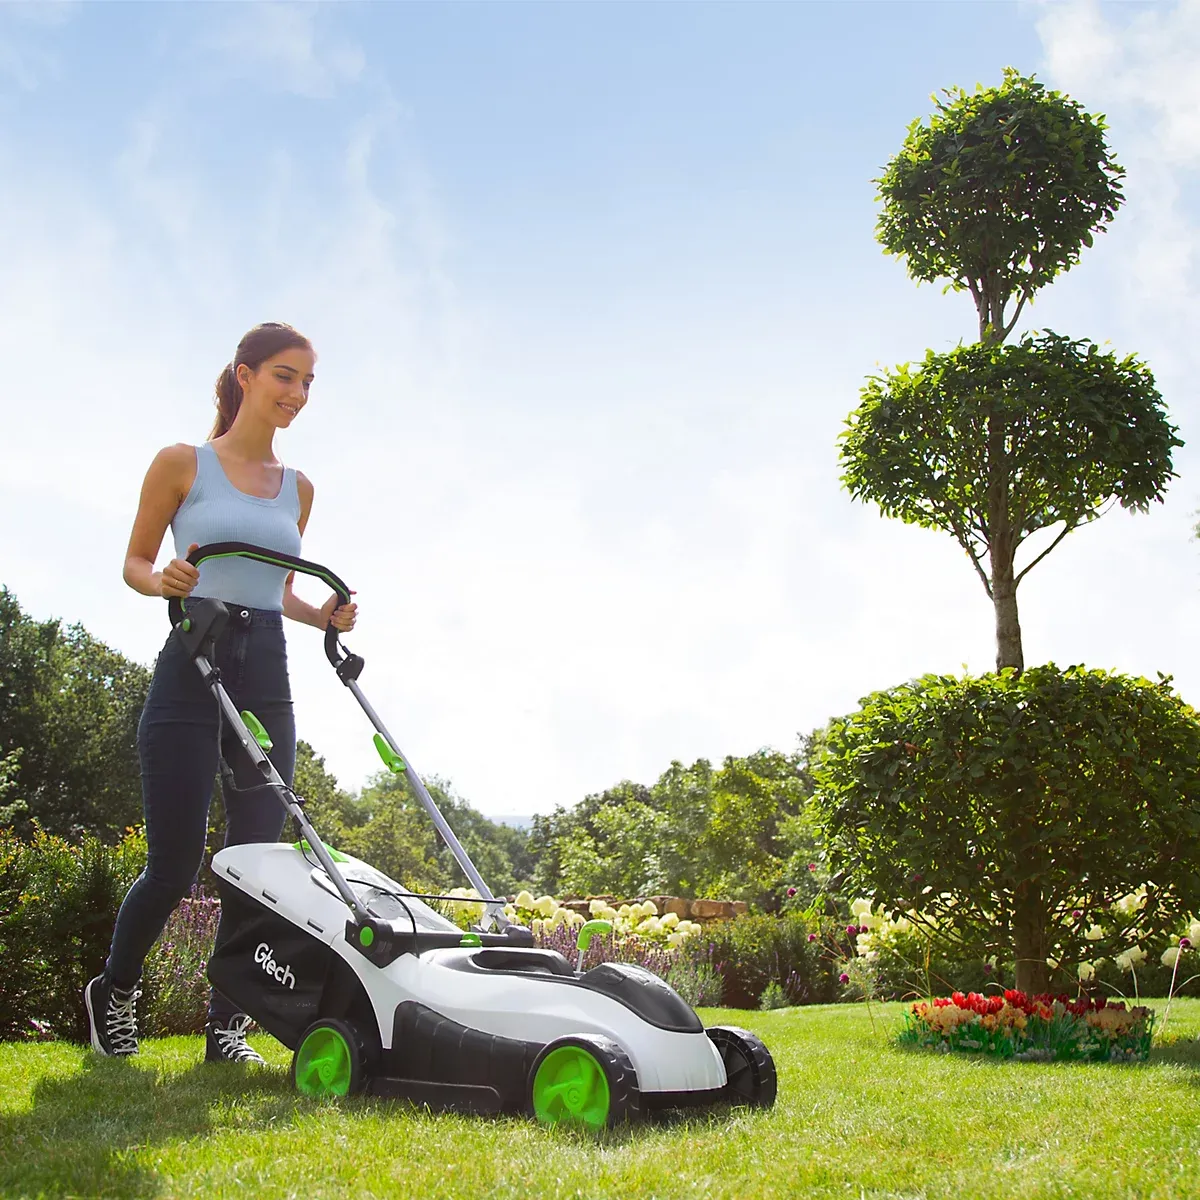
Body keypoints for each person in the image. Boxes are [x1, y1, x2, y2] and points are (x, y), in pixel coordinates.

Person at [85, 322, 357, 1063]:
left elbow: (280, 592)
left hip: (266, 669)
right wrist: (163, 580)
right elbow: (137, 562)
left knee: (257, 862)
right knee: (173, 865)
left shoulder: (298, 489)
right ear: (245, 375)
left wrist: (324, 615)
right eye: (284, 376)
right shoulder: (183, 463)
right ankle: (115, 990)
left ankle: (227, 1025)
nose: (298, 394)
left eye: (308, 382)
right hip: (192, 661)